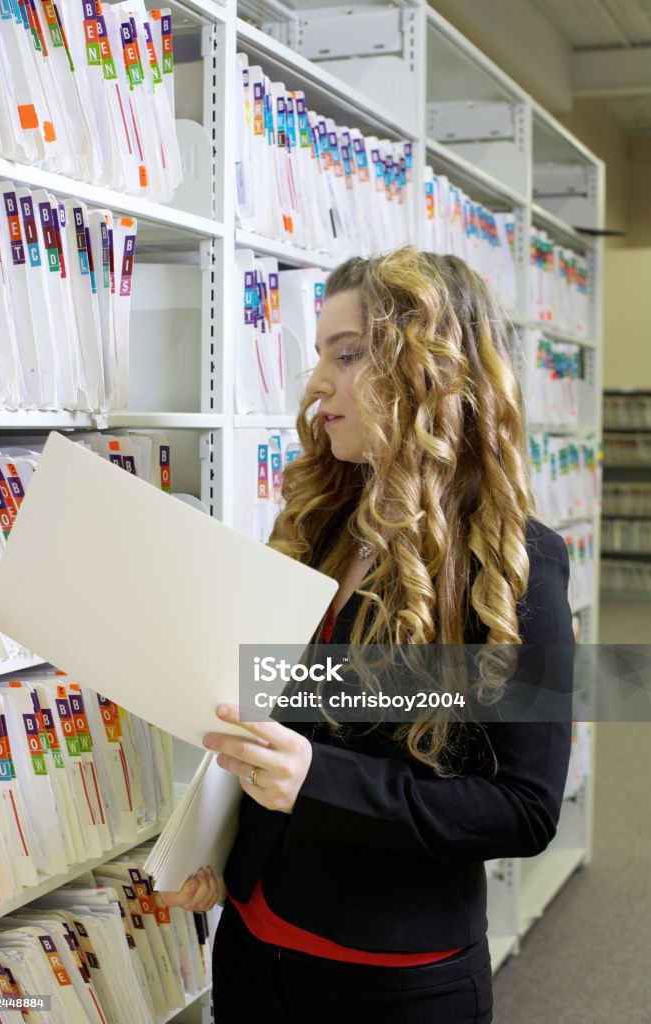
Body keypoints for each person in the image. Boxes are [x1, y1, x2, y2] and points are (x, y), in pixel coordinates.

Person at [160, 248, 574, 1023]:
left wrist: (318, 780)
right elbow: (285, 728)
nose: (318, 385)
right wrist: (218, 854)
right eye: (321, 356)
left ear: (427, 373)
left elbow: (524, 808)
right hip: (254, 951)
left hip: (392, 986)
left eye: (347, 356)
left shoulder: (518, 562)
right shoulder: (321, 528)